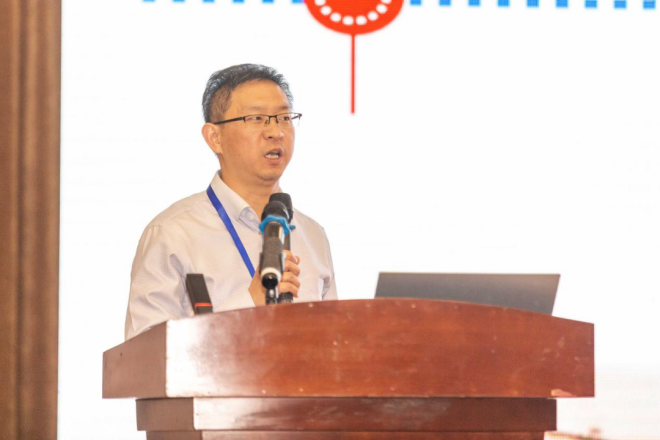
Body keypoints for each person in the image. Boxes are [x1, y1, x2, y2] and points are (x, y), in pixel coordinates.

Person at [124, 64, 337, 340]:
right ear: (215, 138)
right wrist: (251, 301)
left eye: (284, 117)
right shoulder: (173, 234)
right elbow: (147, 352)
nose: (276, 132)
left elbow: (334, 344)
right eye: (257, 118)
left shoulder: (313, 235)